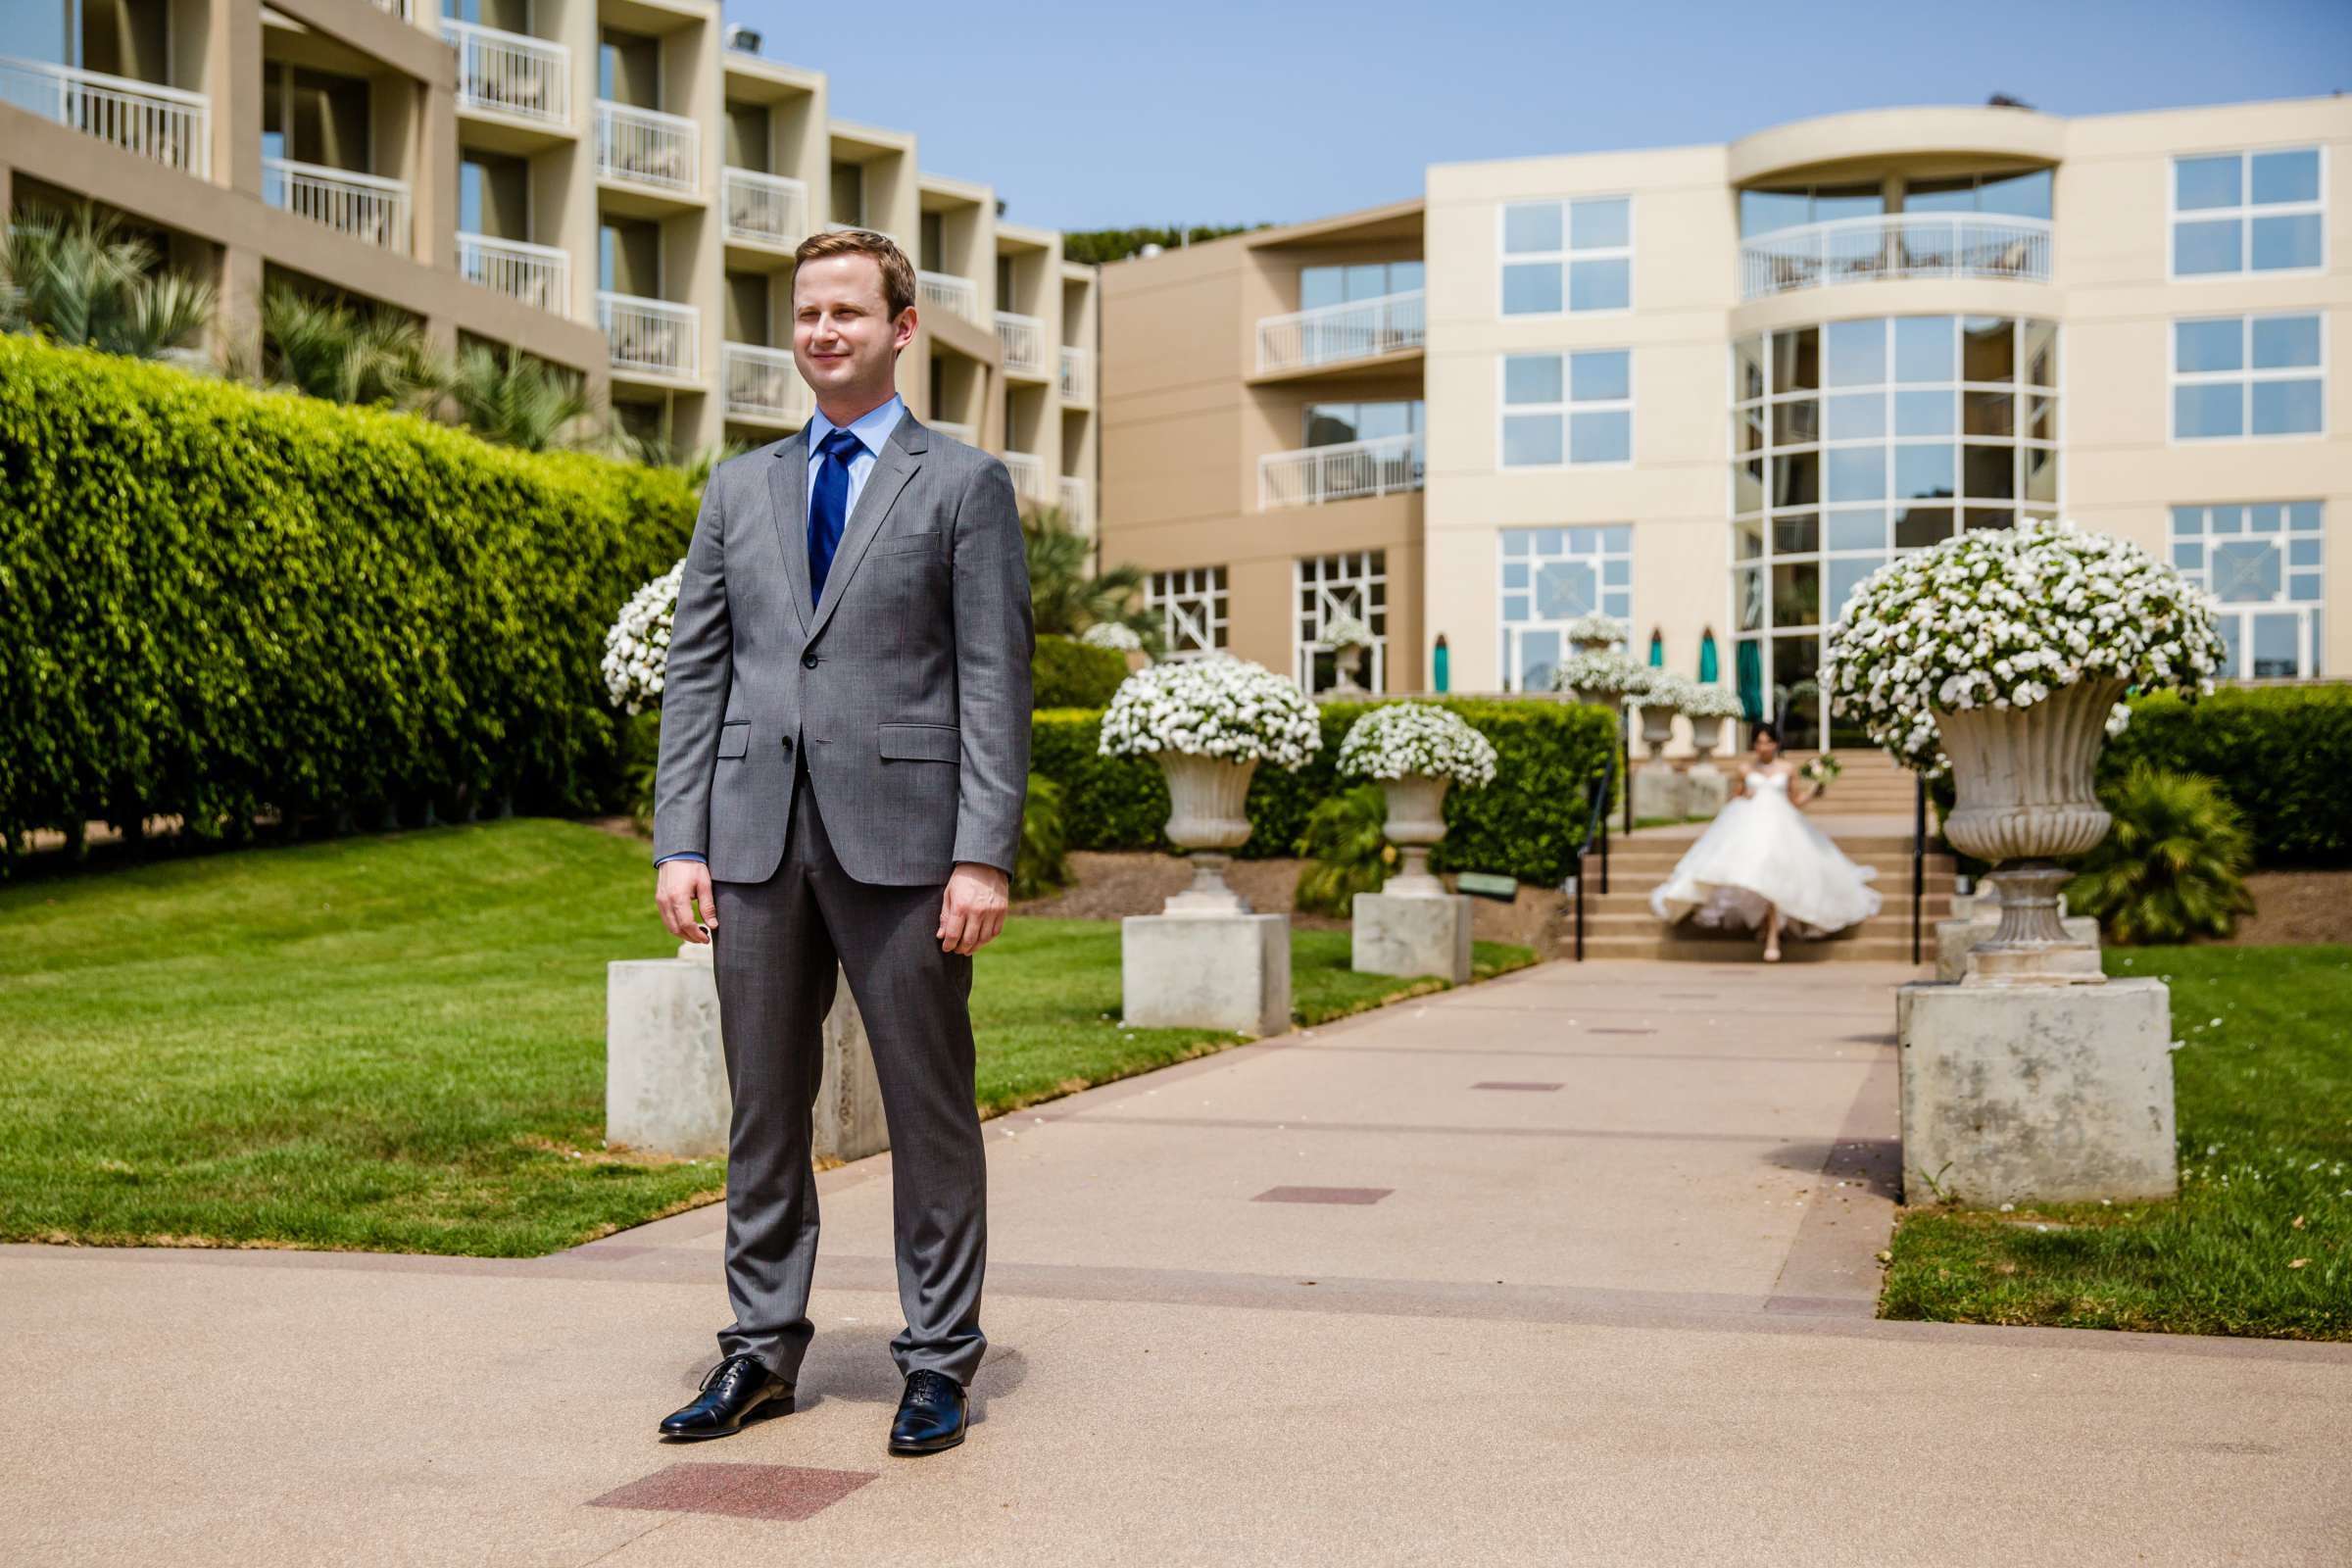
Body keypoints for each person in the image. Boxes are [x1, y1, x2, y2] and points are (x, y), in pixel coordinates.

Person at [646, 228, 1033, 1455]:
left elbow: (992, 683)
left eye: (848, 313)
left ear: (901, 328)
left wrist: (985, 853)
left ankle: (937, 1360)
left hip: (912, 849)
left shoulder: (962, 485)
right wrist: (679, 839)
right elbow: (697, 673)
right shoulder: (736, 488)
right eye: (807, 313)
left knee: (929, 1108)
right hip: (753, 844)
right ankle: (759, 1351)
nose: (823, 331)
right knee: (764, 1108)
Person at [1647, 721, 1880, 961]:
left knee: (1774, 875)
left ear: (1776, 743)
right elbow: (1734, 798)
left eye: (1767, 741)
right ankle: (1767, 929)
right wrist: (1743, 796)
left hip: (1782, 826)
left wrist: (1815, 790)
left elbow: (1795, 801)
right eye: (1758, 742)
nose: (1763, 746)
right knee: (1757, 873)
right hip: (1751, 824)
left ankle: (1771, 935)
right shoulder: (1745, 769)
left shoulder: (1787, 769)